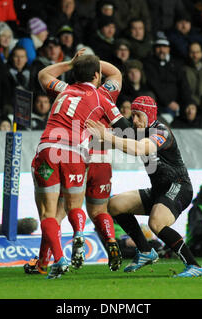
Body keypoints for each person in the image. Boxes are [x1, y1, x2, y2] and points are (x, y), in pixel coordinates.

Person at [30, 49, 131, 278]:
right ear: (97, 75)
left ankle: (54, 260)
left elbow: (44, 74)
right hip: (84, 156)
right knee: (85, 209)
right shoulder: (103, 96)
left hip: (49, 149)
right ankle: (80, 235)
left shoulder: (65, 89)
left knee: (50, 214)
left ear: (75, 74)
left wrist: (72, 63)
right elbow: (115, 73)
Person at [86, 95, 202, 278]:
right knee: (115, 205)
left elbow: (139, 149)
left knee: (156, 223)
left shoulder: (161, 132)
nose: (134, 120)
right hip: (159, 191)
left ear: (149, 115)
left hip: (179, 187)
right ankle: (145, 251)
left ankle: (194, 265)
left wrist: (107, 136)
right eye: (132, 115)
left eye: (138, 115)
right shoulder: (138, 132)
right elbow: (107, 142)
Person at [142, 32, 193, 124]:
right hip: (160, 105)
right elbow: (154, 85)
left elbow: (184, 85)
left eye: (164, 47)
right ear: (154, 49)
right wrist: (168, 102)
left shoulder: (177, 65)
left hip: (178, 104)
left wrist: (188, 103)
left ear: (169, 49)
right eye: (159, 47)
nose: (162, 50)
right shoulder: (148, 64)